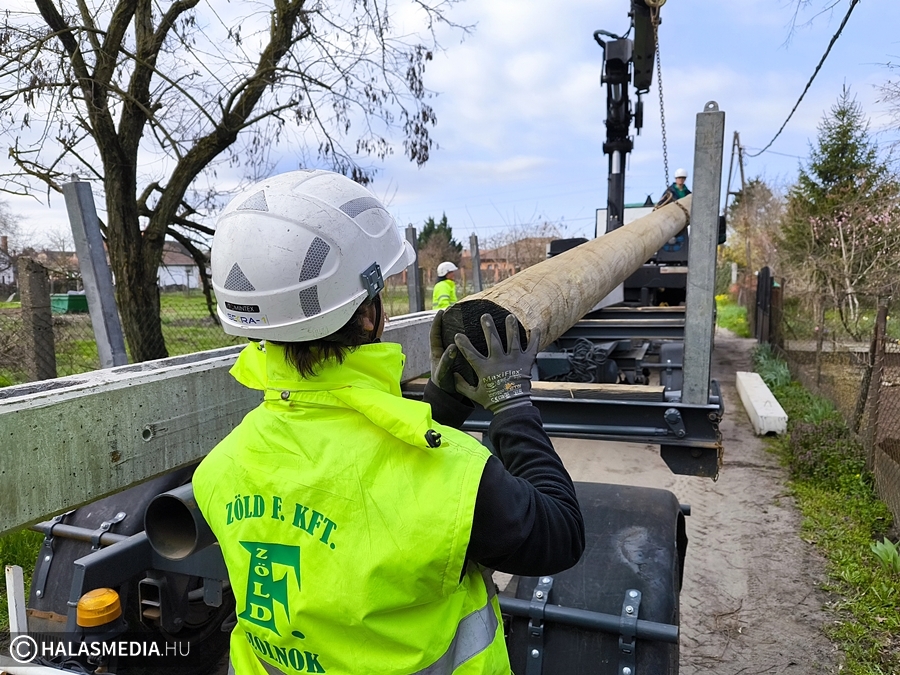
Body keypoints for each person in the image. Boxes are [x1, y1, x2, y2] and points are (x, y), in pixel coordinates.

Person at [192, 170, 584, 675]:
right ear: (368, 316)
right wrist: (511, 403)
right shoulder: (456, 479)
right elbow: (562, 534)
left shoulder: (220, 471)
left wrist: (442, 403)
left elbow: (360, 499)